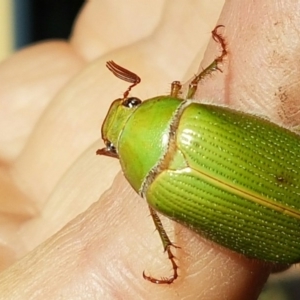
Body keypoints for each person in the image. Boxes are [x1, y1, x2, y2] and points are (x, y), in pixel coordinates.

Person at [0, 1, 299, 299]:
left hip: (276, 236)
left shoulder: (156, 193)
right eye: (131, 103)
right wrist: (220, 57)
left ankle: (173, 256)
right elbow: (191, 85)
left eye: (130, 103)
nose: (129, 104)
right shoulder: (184, 120)